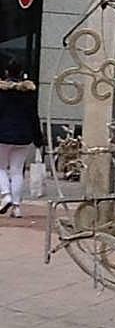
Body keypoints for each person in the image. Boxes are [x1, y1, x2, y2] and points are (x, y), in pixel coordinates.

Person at [0, 60, 44, 218]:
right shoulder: (28, 93)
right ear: (21, 73)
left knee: (0, 167)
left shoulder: (1, 93)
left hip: (2, 135)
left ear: (6, 73)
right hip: (24, 137)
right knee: (17, 171)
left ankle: (6, 195)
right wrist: (38, 138)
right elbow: (34, 116)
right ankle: (16, 207)